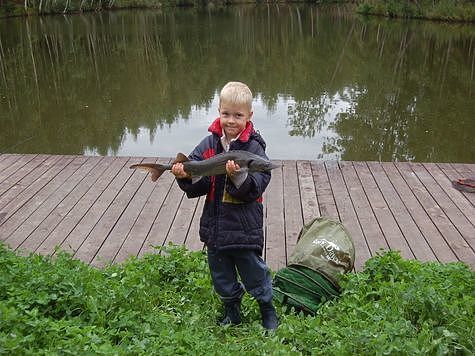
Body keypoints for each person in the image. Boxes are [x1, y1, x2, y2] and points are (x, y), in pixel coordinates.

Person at [171, 81, 278, 331]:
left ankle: (267, 309)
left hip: (243, 228)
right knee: (221, 275)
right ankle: (232, 310)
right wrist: (183, 174)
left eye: (238, 115)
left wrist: (238, 176)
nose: (231, 120)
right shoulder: (209, 145)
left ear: (249, 116)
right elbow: (198, 185)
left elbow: (257, 185)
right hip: (215, 227)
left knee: (254, 271)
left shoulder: (254, 148)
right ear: (218, 111)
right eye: (226, 113)